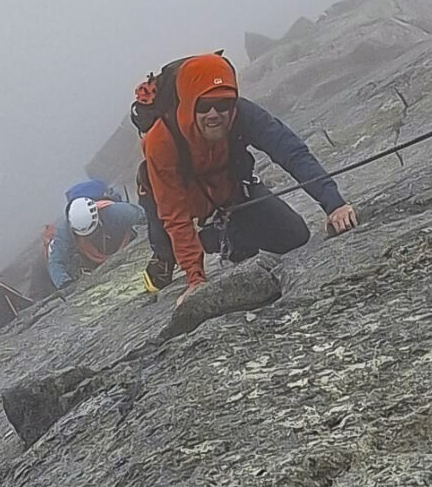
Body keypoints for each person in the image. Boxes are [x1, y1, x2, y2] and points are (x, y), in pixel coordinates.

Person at [138, 52, 357, 301]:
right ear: (188, 103)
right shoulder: (161, 140)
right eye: (203, 105)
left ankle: (217, 236)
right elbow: (174, 213)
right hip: (183, 199)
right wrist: (195, 277)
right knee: (169, 229)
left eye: (223, 104)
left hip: (231, 193)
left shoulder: (242, 114)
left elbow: (289, 150)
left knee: (295, 236)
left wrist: (334, 204)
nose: (214, 114)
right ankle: (166, 255)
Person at [47, 194, 145, 291]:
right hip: (92, 261)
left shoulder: (116, 212)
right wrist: (65, 284)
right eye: (85, 235)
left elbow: (143, 216)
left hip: (121, 242)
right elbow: (56, 261)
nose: (90, 236)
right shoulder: (65, 232)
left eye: (93, 232)